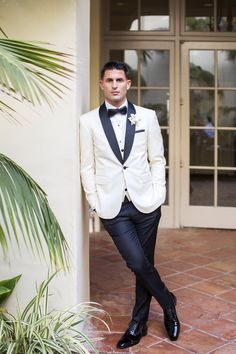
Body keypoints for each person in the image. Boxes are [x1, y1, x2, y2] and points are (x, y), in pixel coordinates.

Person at [80, 61, 180, 349]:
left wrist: (158, 193)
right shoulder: (87, 122)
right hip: (113, 206)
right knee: (136, 262)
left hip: (147, 203)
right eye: (109, 80)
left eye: (119, 80)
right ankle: (168, 302)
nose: (114, 85)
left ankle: (138, 324)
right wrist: (95, 201)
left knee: (143, 265)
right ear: (101, 84)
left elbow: (157, 159)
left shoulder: (147, 117)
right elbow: (87, 167)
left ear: (129, 84)